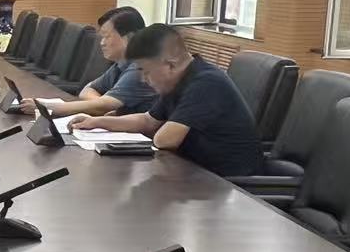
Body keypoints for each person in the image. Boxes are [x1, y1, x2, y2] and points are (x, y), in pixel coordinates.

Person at [75, 23, 263, 176]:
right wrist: (96, 122)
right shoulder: (181, 78)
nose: (143, 79)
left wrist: (150, 131)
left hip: (229, 184)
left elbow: (165, 140)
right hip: (195, 172)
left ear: (170, 65)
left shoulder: (206, 82)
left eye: (146, 71)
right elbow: (147, 120)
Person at [19, 6, 155, 118]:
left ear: (129, 37)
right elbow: (88, 89)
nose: (102, 43)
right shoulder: (121, 64)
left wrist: (45, 107)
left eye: (107, 36)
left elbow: (104, 105)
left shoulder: (140, 69)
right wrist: (100, 104)